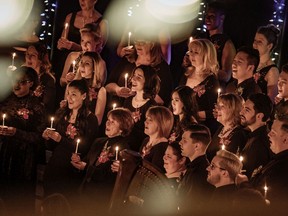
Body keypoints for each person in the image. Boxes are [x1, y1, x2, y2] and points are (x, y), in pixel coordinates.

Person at [70, 107, 134, 215]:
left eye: (112, 122)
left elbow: (108, 177)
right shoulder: (99, 141)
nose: (107, 124)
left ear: (122, 128)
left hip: (99, 199)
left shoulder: (123, 150)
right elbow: (86, 161)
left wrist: (85, 167)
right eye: (107, 120)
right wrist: (77, 161)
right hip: (83, 195)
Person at [0, 66, 46, 216]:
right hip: (4, 154)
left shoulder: (36, 106)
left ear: (31, 83)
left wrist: (16, 133)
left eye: (22, 82)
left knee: (20, 199)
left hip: (24, 159)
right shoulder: (6, 101)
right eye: (14, 80)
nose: (16, 85)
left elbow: (39, 137)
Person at [42, 79, 98, 199]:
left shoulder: (91, 119)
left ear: (83, 96)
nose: (69, 98)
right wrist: (48, 137)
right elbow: (52, 146)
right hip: (54, 166)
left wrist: (61, 139)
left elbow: (85, 148)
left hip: (71, 170)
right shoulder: (62, 113)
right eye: (68, 93)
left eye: (73, 94)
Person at [237, 102, 288, 216]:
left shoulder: (282, 171)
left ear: (286, 139)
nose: (269, 135)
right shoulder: (276, 160)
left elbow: (261, 203)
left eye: (273, 133)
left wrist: (244, 183)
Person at [105, 28, 173, 107]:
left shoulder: (161, 67)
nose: (138, 46)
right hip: (120, 107)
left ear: (152, 44)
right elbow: (108, 85)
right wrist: (118, 90)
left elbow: (162, 98)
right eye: (136, 42)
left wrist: (137, 96)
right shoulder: (128, 60)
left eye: (142, 43)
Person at [179, 38, 220, 135]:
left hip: (199, 129)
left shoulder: (211, 81)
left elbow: (213, 112)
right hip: (181, 125)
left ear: (206, 56)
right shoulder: (186, 74)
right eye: (191, 51)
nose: (191, 55)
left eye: (196, 52)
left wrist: (192, 115)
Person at [177, 124, 214, 215]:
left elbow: (190, 207)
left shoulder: (199, 173)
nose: (179, 143)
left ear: (197, 146)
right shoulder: (194, 167)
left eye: (184, 141)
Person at [123, 65, 159, 151]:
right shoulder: (128, 101)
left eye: (139, 77)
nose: (133, 79)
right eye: (134, 76)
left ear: (147, 81)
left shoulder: (151, 106)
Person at [60, 22, 107, 87]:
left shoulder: (100, 63)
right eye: (82, 41)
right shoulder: (72, 56)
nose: (84, 45)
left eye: (88, 42)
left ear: (97, 42)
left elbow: (99, 87)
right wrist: (67, 79)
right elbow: (61, 81)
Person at [240, 93, 274, 178]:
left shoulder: (259, 143)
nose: (241, 112)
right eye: (243, 108)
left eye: (247, 110)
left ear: (259, 116)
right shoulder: (254, 136)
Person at [207, 93, 247, 161]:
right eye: (218, 106)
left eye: (222, 106)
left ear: (233, 110)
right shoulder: (221, 129)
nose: (217, 110)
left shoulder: (238, 134)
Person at [204, 1, 236, 87]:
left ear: (222, 18)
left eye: (212, 16)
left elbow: (226, 75)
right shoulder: (203, 39)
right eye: (206, 15)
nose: (207, 18)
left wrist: (205, 69)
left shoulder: (227, 43)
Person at [70, 51, 106, 125]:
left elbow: (97, 120)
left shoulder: (100, 90)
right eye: (81, 62)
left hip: (87, 128)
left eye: (87, 64)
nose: (82, 66)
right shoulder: (73, 85)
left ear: (94, 68)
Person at [206, 149, 242, 215]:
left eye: (212, 166)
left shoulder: (223, 202)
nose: (207, 168)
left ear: (225, 173)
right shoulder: (232, 193)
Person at [24, 43, 56, 115]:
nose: (28, 58)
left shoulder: (48, 80)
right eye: (27, 54)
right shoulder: (21, 76)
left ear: (41, 59)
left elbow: (47, 108)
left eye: (33, 55)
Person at [140, 106, 174, 173]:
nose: (145, 122)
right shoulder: (146, 140)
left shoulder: (162, 147)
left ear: (161, 123)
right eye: (146, 119)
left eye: (150, 120)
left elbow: (154, 173)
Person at [253, 24, 280, 101]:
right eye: (255, 41)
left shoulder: (272, 71)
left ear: (269, 46)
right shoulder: (252, 62)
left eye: (260, 42)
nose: (255, 45)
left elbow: (270, 100)